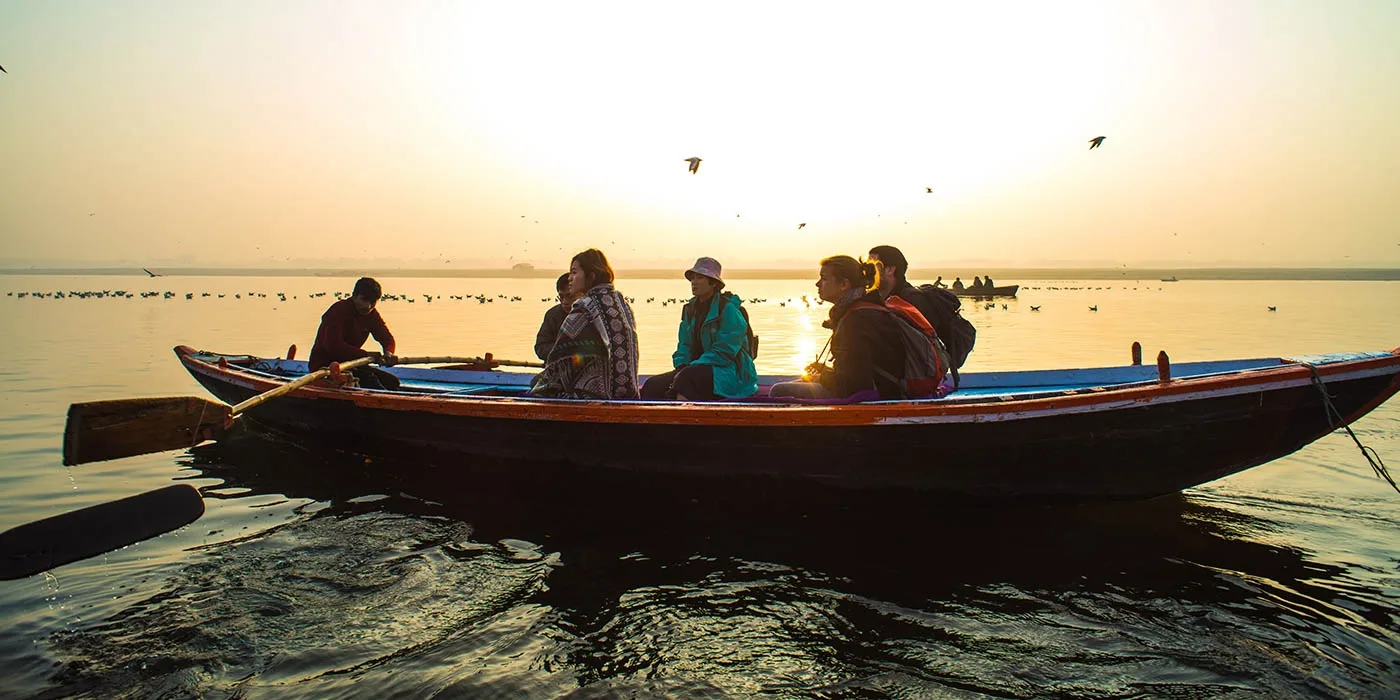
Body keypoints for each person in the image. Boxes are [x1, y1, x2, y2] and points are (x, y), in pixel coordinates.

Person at [769, 256, 906, 400]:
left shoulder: (856, 321)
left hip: (872, 396)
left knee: (779, 390)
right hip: (879, 389)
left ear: (844, 284)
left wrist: (822, 377)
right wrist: (825, 372)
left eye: (824, 279)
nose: (817, 284)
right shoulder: (864, 310)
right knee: (798, 383)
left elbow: (853, 384)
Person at [640, 257, 758, 401]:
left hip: (729, 372)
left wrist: (692, 367)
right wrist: (682, 365)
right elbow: (684, 345)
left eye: (700, 278)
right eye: (693, 278)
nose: (694, 282)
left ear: (713, 283)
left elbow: (725, 351)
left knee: (686, 380)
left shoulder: (728, 309)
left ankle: (682, 413)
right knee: (652, 385)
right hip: (693, 370)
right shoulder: (690, 310)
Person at [529, 249, 640, 399]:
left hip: (594, 396)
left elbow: (557, 364)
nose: (570, 278)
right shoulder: (622, 304)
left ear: (591, 276)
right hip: (628, 394)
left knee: (538, 386)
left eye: (574, 273)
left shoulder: (584, 308)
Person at [308, 277, 400, 390]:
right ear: (354, 296)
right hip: (325, 366)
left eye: (373, 302)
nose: (368, 306)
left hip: (351, 363)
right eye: (364, 300)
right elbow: (333, 346)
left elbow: (387, 339)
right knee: (370, 380)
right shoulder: (338, 311)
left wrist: (388, 353)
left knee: (392, 382)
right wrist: (366, 354)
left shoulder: (371, 315)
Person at [535, 273, 580, 361]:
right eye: (561, 297)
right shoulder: (553, 315)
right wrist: (565, 349)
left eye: (570, 296)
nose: (565, 302)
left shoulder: (592, 314)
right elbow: (540, 348)